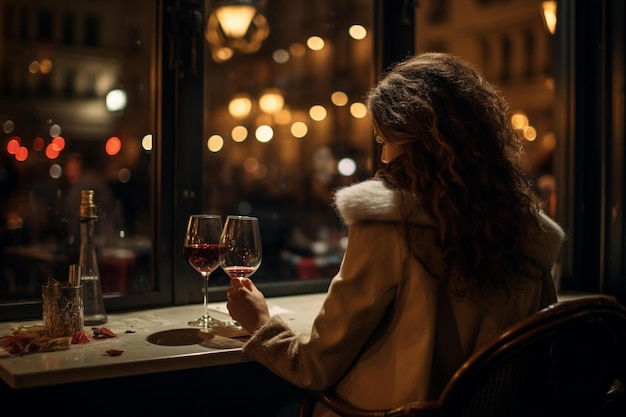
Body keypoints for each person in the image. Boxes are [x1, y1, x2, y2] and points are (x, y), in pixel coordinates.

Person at [225, 52, 565, 415]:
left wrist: (261, 323)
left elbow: (313, 367)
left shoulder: (388, 223)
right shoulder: (528, 236)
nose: (383, 157)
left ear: (407, 143)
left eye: (383, 141)